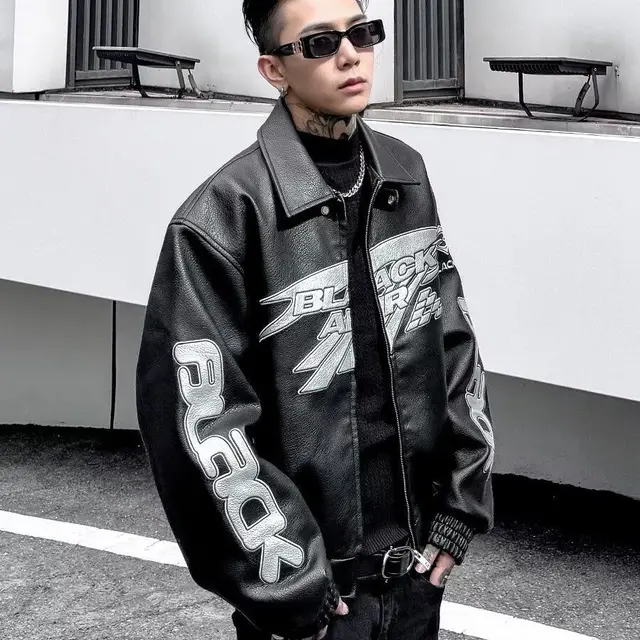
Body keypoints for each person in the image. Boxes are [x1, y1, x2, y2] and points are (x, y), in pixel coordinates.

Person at [135, 0, 495, 638]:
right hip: (315, 610)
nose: (351, 55)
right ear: (273, 69)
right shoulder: (222, 218)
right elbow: (202, 427)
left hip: (416, 581)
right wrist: (296, 593)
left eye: (361, 33)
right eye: (321, 43)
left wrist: (458, 514)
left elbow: (453, 345)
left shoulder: (405, 176)